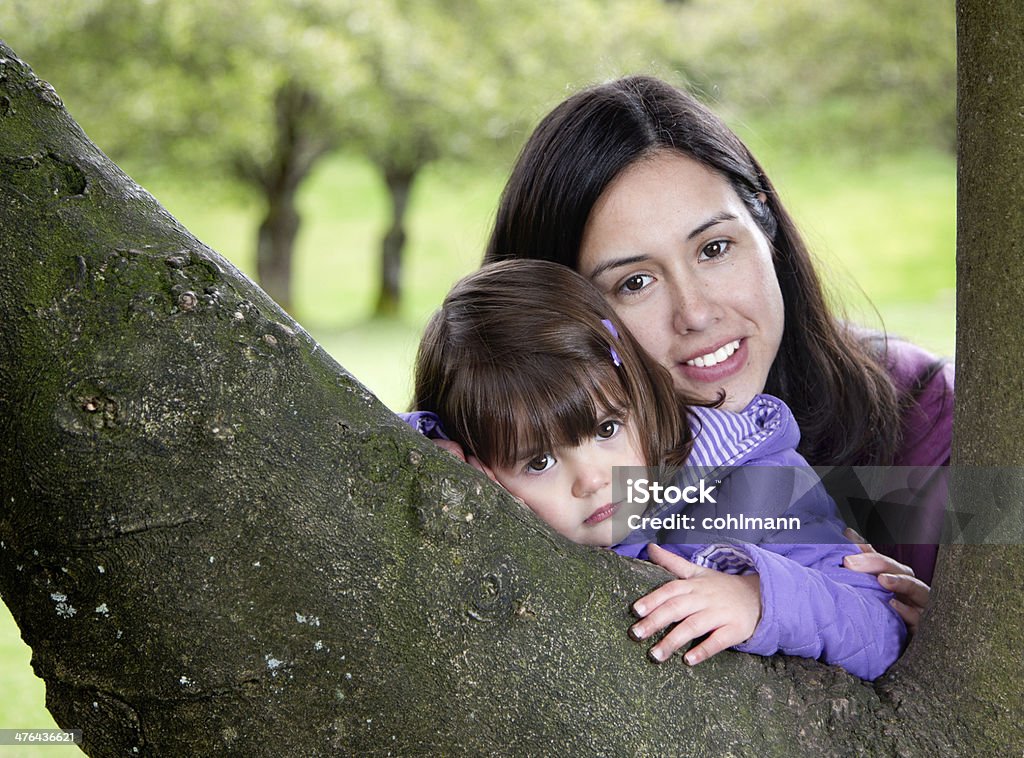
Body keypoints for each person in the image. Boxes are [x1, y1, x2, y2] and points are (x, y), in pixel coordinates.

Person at [480, 75, 953, 633]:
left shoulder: (923, 412)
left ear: (764, 224)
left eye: (715, 248)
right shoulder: (530, 463)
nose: (695, 313)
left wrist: (941, 644)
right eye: (634, 283)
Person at [407, 259, 906, 681]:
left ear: (640, 391)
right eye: (539, 462)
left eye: (606, 430)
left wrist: (759, 599)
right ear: (485, 471)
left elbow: (881, 626)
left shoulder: (754, 484)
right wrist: (438, 462)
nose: (593, 479)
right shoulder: (512, 519)